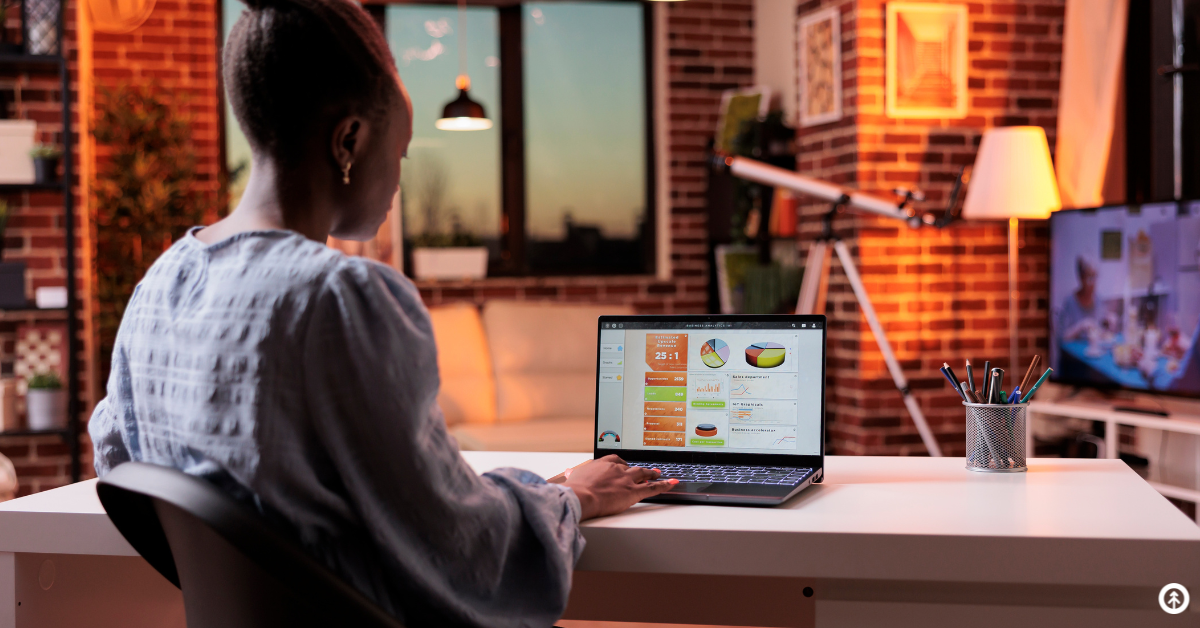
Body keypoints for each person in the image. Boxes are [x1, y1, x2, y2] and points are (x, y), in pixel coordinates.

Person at [86, 0, 675, 625]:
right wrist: (570, 495)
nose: (399, 179)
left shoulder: (160, 284)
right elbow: (462, 548)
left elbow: (123, 466)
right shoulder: (342, 297)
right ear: (349, 140)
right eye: (400, 152)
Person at [1057, 256, 1098, 343]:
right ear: (1081, 278)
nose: (1093, 283)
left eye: (1095, 277)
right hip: (1072, 355)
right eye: (1089, 278)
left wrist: (1108, 324)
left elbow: (1100, 332)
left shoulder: (1098, 300)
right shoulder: (1069, 302)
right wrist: (1080, 327)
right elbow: (1061, 337)